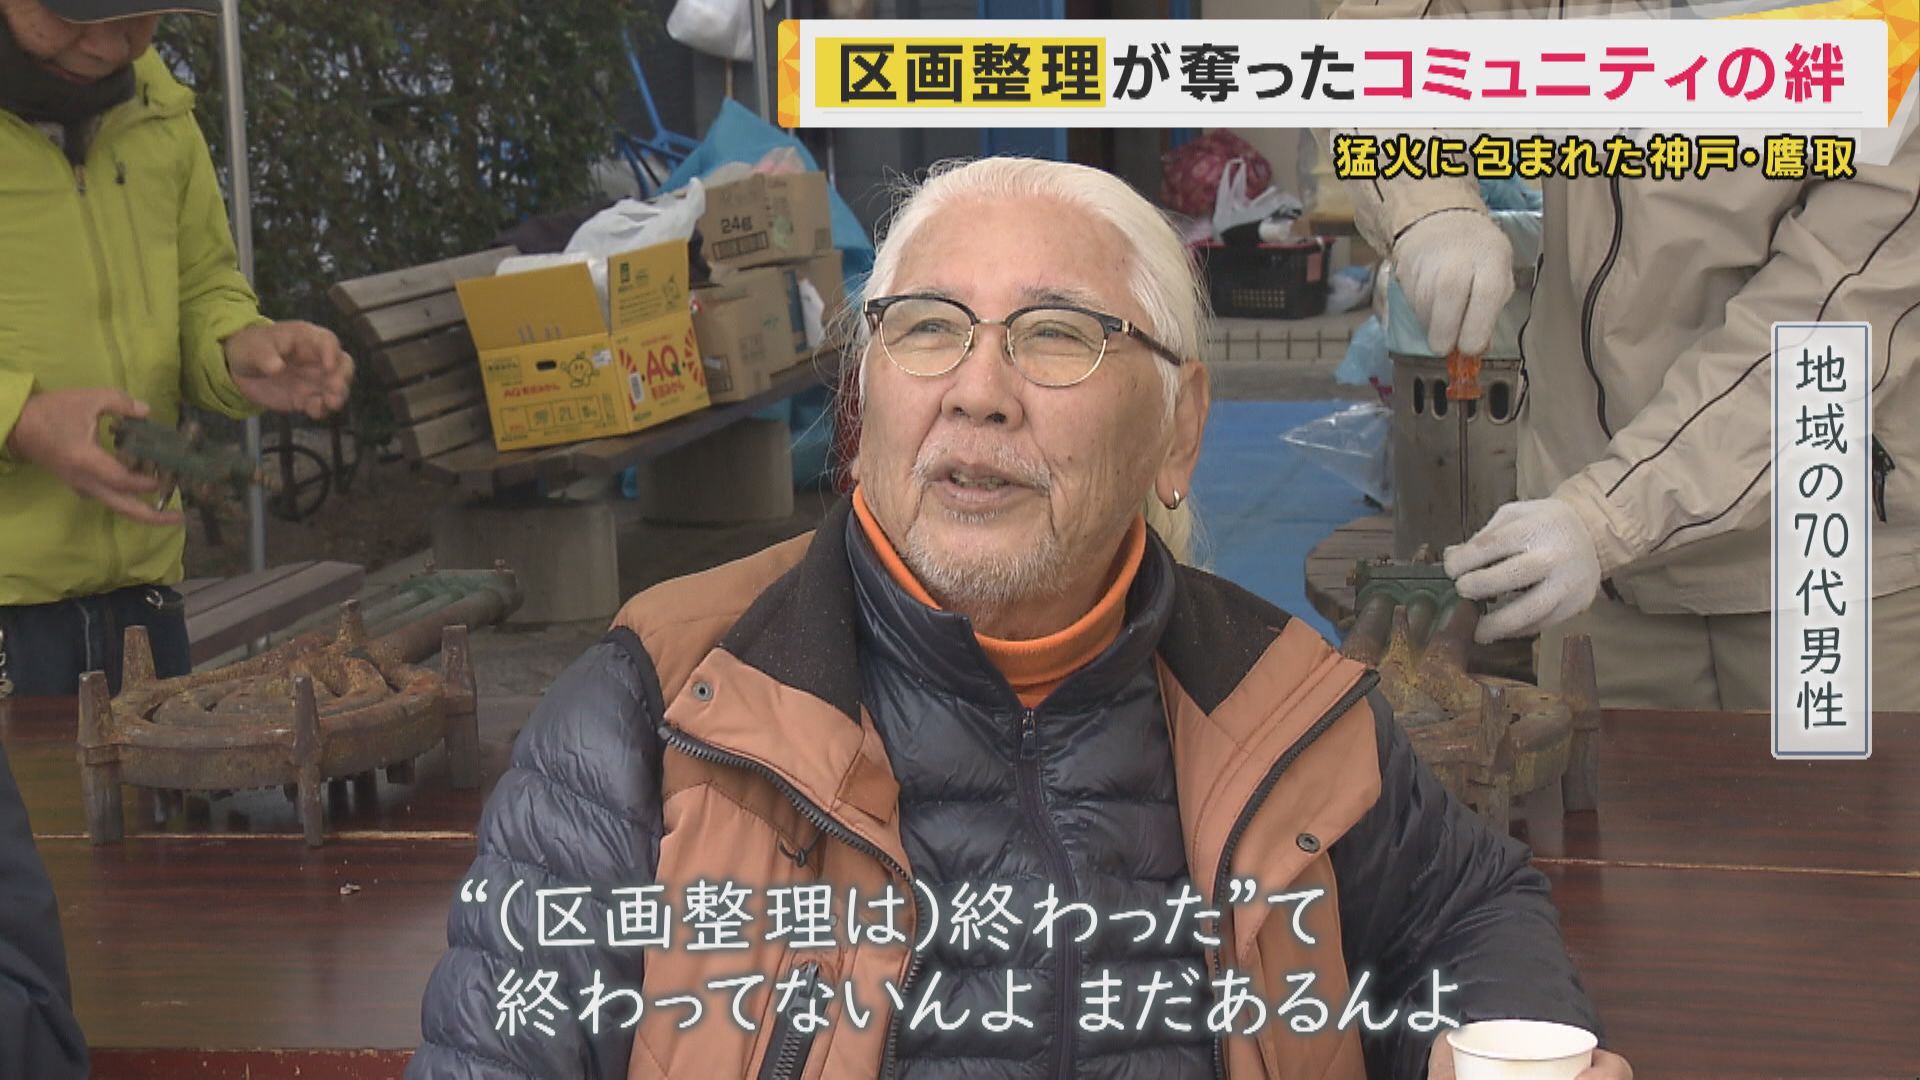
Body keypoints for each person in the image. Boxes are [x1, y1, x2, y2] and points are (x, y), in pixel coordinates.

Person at [409, 157, 1629, 1080]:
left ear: (1180, 430)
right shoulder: (660, 709)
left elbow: (1471, 908)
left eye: (1056, 336)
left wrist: (1506, 1040)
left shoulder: (1282, 705)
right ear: (863, 403)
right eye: (928, 329)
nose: (978, 393)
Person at [1325, 0, 1918, 711]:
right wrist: (1426, 204)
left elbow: (1821, 330)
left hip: (1819, 557)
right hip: (1591, 568)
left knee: (1827, 786)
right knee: (1587, 780)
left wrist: (1606, 519)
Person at [0, 0, 353, 699]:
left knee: (156, 777)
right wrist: (20, 418)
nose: (114, 42)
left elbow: (199, 282)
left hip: (143, 599)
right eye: (78, 12)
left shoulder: (158, 107)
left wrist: (236, 345)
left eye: (143, 11)